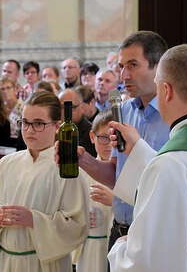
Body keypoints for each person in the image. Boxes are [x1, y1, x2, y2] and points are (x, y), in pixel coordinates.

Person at [108, 44, 187, 272]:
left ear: (166, 91)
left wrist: (120, 248)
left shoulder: (169, 166)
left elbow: (146, 265)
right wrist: (139, 151)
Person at [70, 31, 169, 254]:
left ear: (158, 67)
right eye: (121, 66)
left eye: (133, 65)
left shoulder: (173, 113)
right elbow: (116, 175)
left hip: (154, 232)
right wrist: (84, 160)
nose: (124, 75)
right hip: (119, 227)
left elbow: (172, 180)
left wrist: (140, 149)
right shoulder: (123, 110)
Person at [0, 91, 89, 272]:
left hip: (44, 264)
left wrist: (34, 220)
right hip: (6, 260)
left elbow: (77, 225)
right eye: (25, 122)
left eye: (38, 124)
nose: (29, 130)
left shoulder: (67, 168)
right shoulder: (7, 163)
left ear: (57, 126)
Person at [76, 110, 113, 272]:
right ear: (92, 137)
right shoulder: (82, 172)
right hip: (89, 247)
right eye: (103, 138)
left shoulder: (130, 173)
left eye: (113, 138)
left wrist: (115, 201)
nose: (109, 144)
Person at [59, 89, 97, 157]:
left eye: (71, 107)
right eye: (61, 107)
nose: (65, 111)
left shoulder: (91, 134)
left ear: (82, 107)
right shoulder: (55, 130)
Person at [0, 77, 24, 146]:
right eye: (2, 89)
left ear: (15, 89)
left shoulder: (24, 108)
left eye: (8, 88)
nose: (5, 91)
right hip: (2, 145)